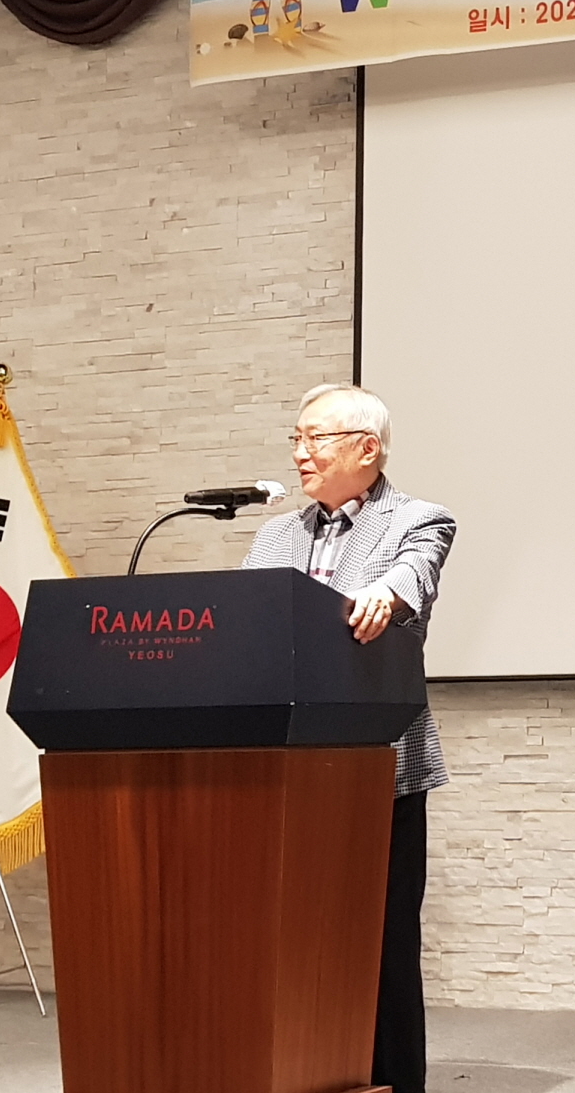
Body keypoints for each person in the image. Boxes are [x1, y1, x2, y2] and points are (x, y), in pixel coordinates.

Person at [242, 383, 456, 1093]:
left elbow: (410, 577)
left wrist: (383, 594)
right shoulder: (275, 536)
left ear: (367, 448)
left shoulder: (419, 519)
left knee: (383, 941)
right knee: (294, 941)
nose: (301, 453)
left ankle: (396, 1083)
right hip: (285, 768)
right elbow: (249, 624)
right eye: (297, 438)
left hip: (380, 765)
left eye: (317, 438)